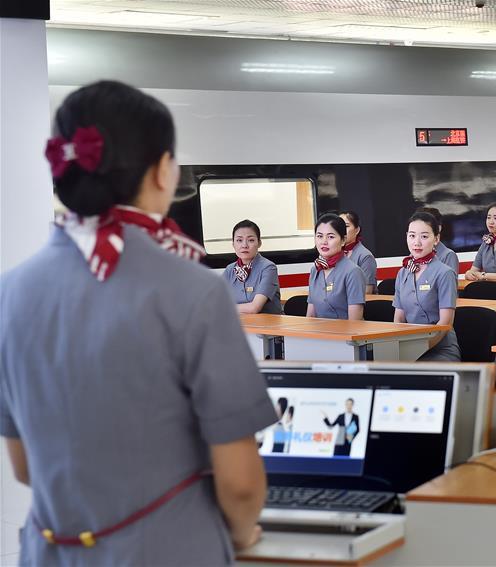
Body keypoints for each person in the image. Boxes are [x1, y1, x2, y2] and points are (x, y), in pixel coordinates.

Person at [0, 81, 275, 565]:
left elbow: (24, 466)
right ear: (163, 171)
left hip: (47, 552)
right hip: (170, 550)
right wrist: (240, 534)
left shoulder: (11, 290)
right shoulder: (194, 289)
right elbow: (240, 483)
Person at [393, 212, 461, 361]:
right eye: (412, 236)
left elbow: (445, 322)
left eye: (424, 236)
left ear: (436, 239)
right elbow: (399, 317)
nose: (416, 242)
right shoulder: (402, 273)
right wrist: (397, 345)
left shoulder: (445, 273)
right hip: (408, 345)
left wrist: (418, 348)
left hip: (439, 348)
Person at [306, 213, 366, 320]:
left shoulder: (353, 272)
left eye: (330, 237)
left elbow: (355, 322)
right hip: (318, 334)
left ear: (343, 240)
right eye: (319, 236)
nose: (324, 242)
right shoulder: (315, 270)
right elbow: (310, 316)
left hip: (344, 334)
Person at [223, 219, 283, 314]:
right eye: (239, 240)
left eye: (250, 240)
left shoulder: (268, 268)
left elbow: (254, 308)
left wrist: (225, 308)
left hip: (267, 327)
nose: (244, 245)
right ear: (233, 244)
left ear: (259, 243)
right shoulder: (229, 270)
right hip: (237, 325)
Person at [464, 202, 496, 282]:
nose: (491, 222)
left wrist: (484, 276)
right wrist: (469, 273)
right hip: (488, 288)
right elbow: (474, 270)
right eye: (488, 218)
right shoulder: (486, 242)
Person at [339, 210, 377, 294]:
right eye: (339, 227)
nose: (342, 230)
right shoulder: (335, 253)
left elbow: (367, 292)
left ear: (357, 230)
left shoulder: (365, 256)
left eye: (346, 226)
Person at [418, 206, 459, 274]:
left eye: (427, 226)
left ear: (439, 228)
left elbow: (449, 283)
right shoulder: (412, 255)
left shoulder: (448, 256)